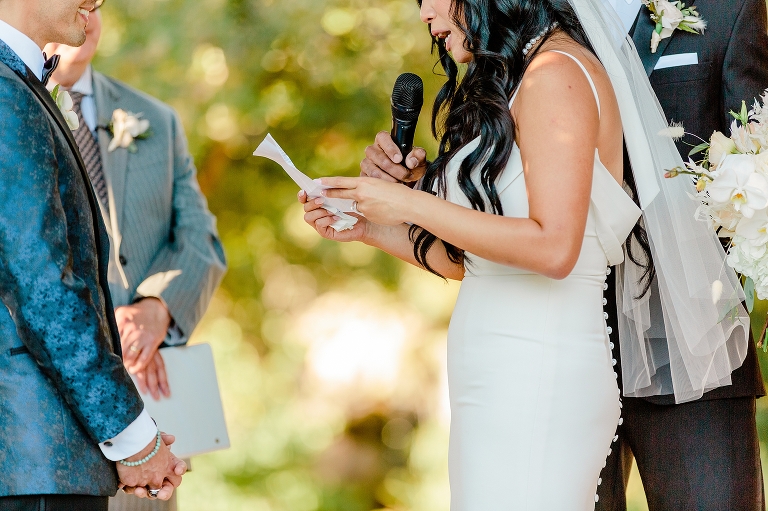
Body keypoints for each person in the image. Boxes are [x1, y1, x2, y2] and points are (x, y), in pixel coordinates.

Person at [301, 0, 645, 506]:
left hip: (538, 373)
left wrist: (411, 201)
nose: (424, 15)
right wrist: (369, 227)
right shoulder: (521, 77)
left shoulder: (557, 72)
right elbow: (471, 261)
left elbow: (554, 249)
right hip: (495, 377)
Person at [0, 1, 187, 510]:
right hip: (30, 462)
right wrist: (133, 439)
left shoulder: (18, 84)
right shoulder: (4, 93)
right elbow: (41, 288)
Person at [44, 6, 228, 511]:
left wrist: (156, 306)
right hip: (44, 413)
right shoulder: (13, 104)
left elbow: (201, 239)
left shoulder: (157, 120)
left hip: (150, 408)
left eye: (94, 6)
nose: (86, 15)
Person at [595, 0, 768, 509]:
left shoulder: (731, 8)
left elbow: (758, 150)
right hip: (565, 332)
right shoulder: (534, 13)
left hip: (694, 349)